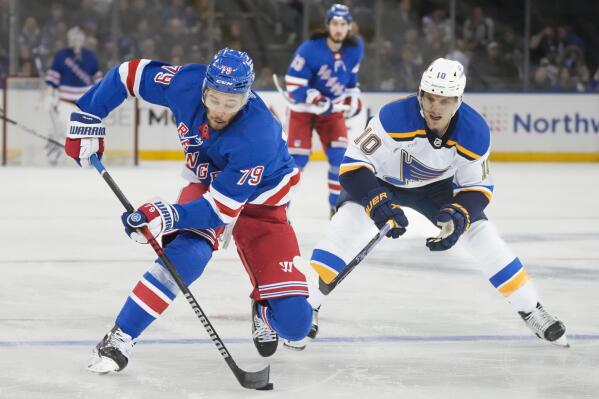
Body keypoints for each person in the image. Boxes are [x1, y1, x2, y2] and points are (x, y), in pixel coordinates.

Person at [286, 58, 568, 350]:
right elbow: (353, 166)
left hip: (435, 190)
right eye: (430, 97)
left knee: (483, 236)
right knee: (344, 230)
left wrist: (459, 214)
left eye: (445, 101)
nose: (435, 108)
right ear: (420, 94)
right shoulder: (393, 117)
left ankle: (531, 308)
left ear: (458, 100)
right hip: (379, 182)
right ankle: (307, 307)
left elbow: (477, 188)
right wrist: (377, 202)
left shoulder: (475, 132)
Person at [64, 48, 314, 373]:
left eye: (231, 103)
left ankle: (264, 304)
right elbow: (130, 74)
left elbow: (218, 211)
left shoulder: (257, 135)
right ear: (205, 88)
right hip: (210, 183)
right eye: (214, 99)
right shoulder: (186, 83)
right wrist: (88, 114)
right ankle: (120, 336)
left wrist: (166, 215)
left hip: (263, 204)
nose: (220, 110)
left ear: (247, 96)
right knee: (187, 255)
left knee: (295, 325)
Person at [284, 3, 364, 217]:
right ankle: (280, 210)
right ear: (328, 25)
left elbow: (351, 81)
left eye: (343, 24)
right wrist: (315, 98)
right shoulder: (310, 48)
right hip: (303, 109)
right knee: (296, 161)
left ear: (349, 26)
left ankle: (336, 208)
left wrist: (353, 98)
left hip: (331, 110)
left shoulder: (356, 47)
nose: (339, 28)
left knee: (340, 158)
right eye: (335, 23)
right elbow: (293, 82)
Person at [44, 26, 102, 152]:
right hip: (65, 102)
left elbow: (98, 82)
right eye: (73, 37)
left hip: (85, 104)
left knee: (85, 135)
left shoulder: (90, 56)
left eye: (79, 36)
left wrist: (101, 99)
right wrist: (48, 96)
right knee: (61, 132)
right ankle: (53, 157)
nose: (76, 40)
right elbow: (51, 80)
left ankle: (85, 157)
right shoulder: (61, 56)